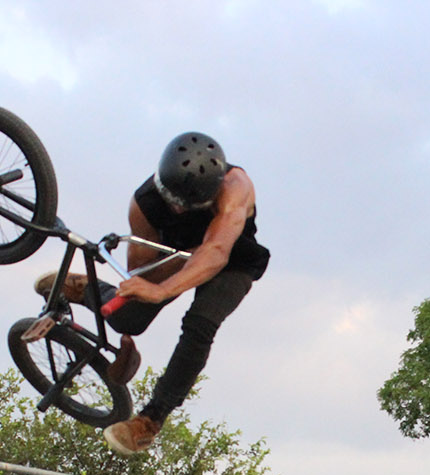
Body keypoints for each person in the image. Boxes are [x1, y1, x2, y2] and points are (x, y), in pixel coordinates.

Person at [36, 131, 269, 455]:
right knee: (128, 318)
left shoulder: (235, 187)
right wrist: (142, 291)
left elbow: (216, 251)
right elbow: (141, 272)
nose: (175, 210)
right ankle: (86, 288)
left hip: (233, 258)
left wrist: (161, 292)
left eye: (184, 207)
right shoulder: (144, 204)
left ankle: (149, 421)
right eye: (171, 201)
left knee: (201, 325)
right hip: (174, 255)